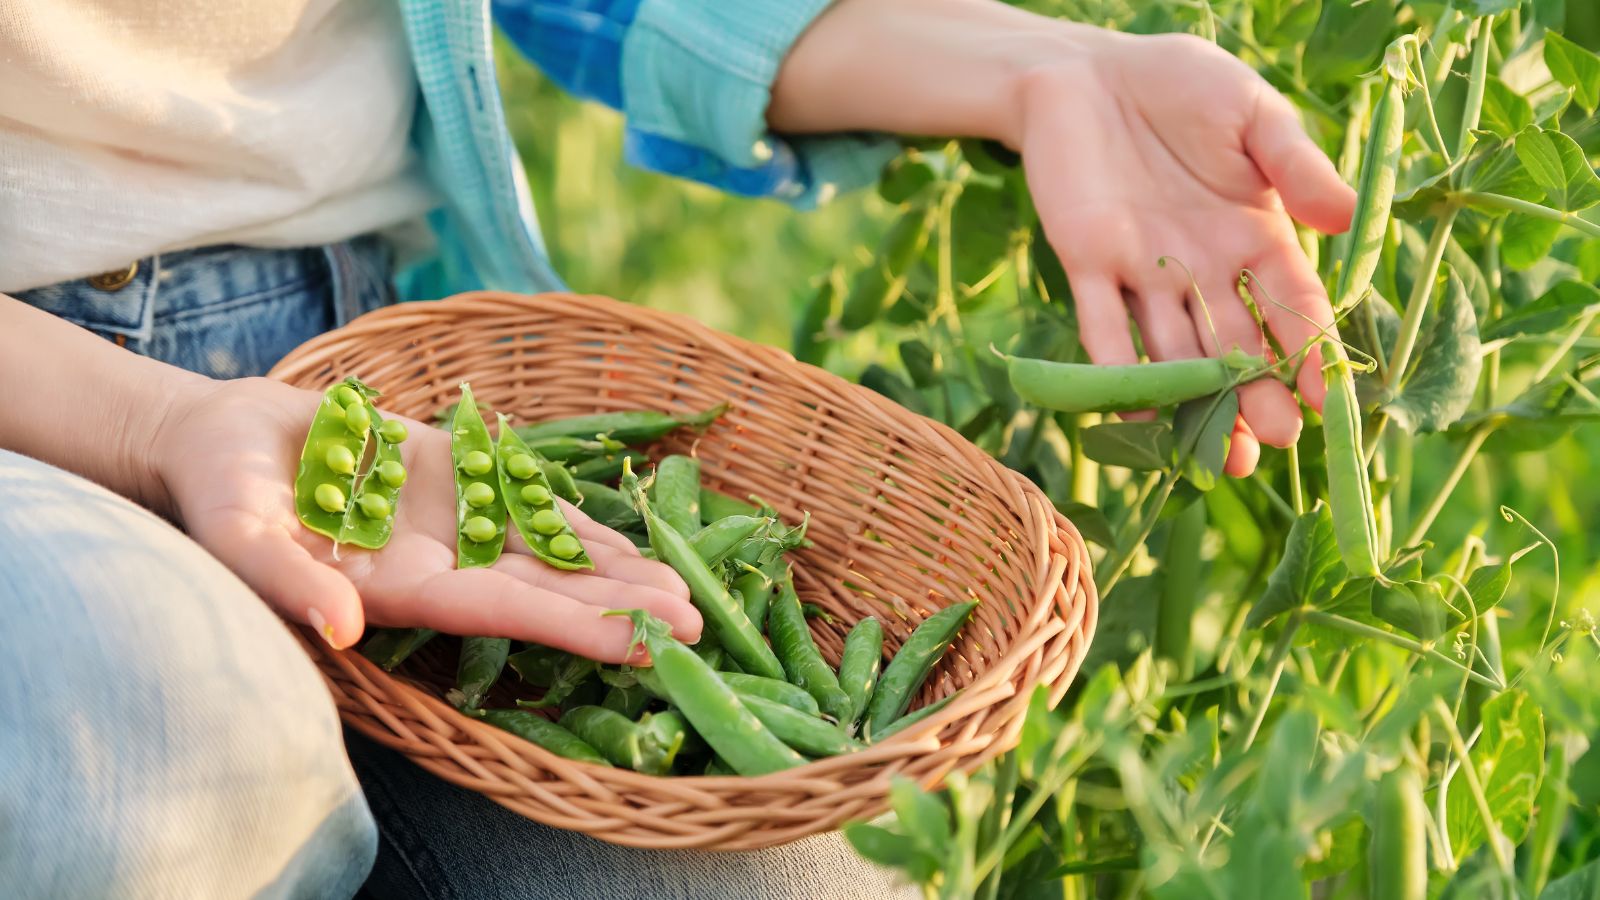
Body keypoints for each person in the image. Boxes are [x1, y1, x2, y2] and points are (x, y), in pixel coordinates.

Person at [0, 0, 1355, 897]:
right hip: (33, 406)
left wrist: (1039, 67)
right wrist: (148, 420)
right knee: (136, 766)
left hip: (370, 381)